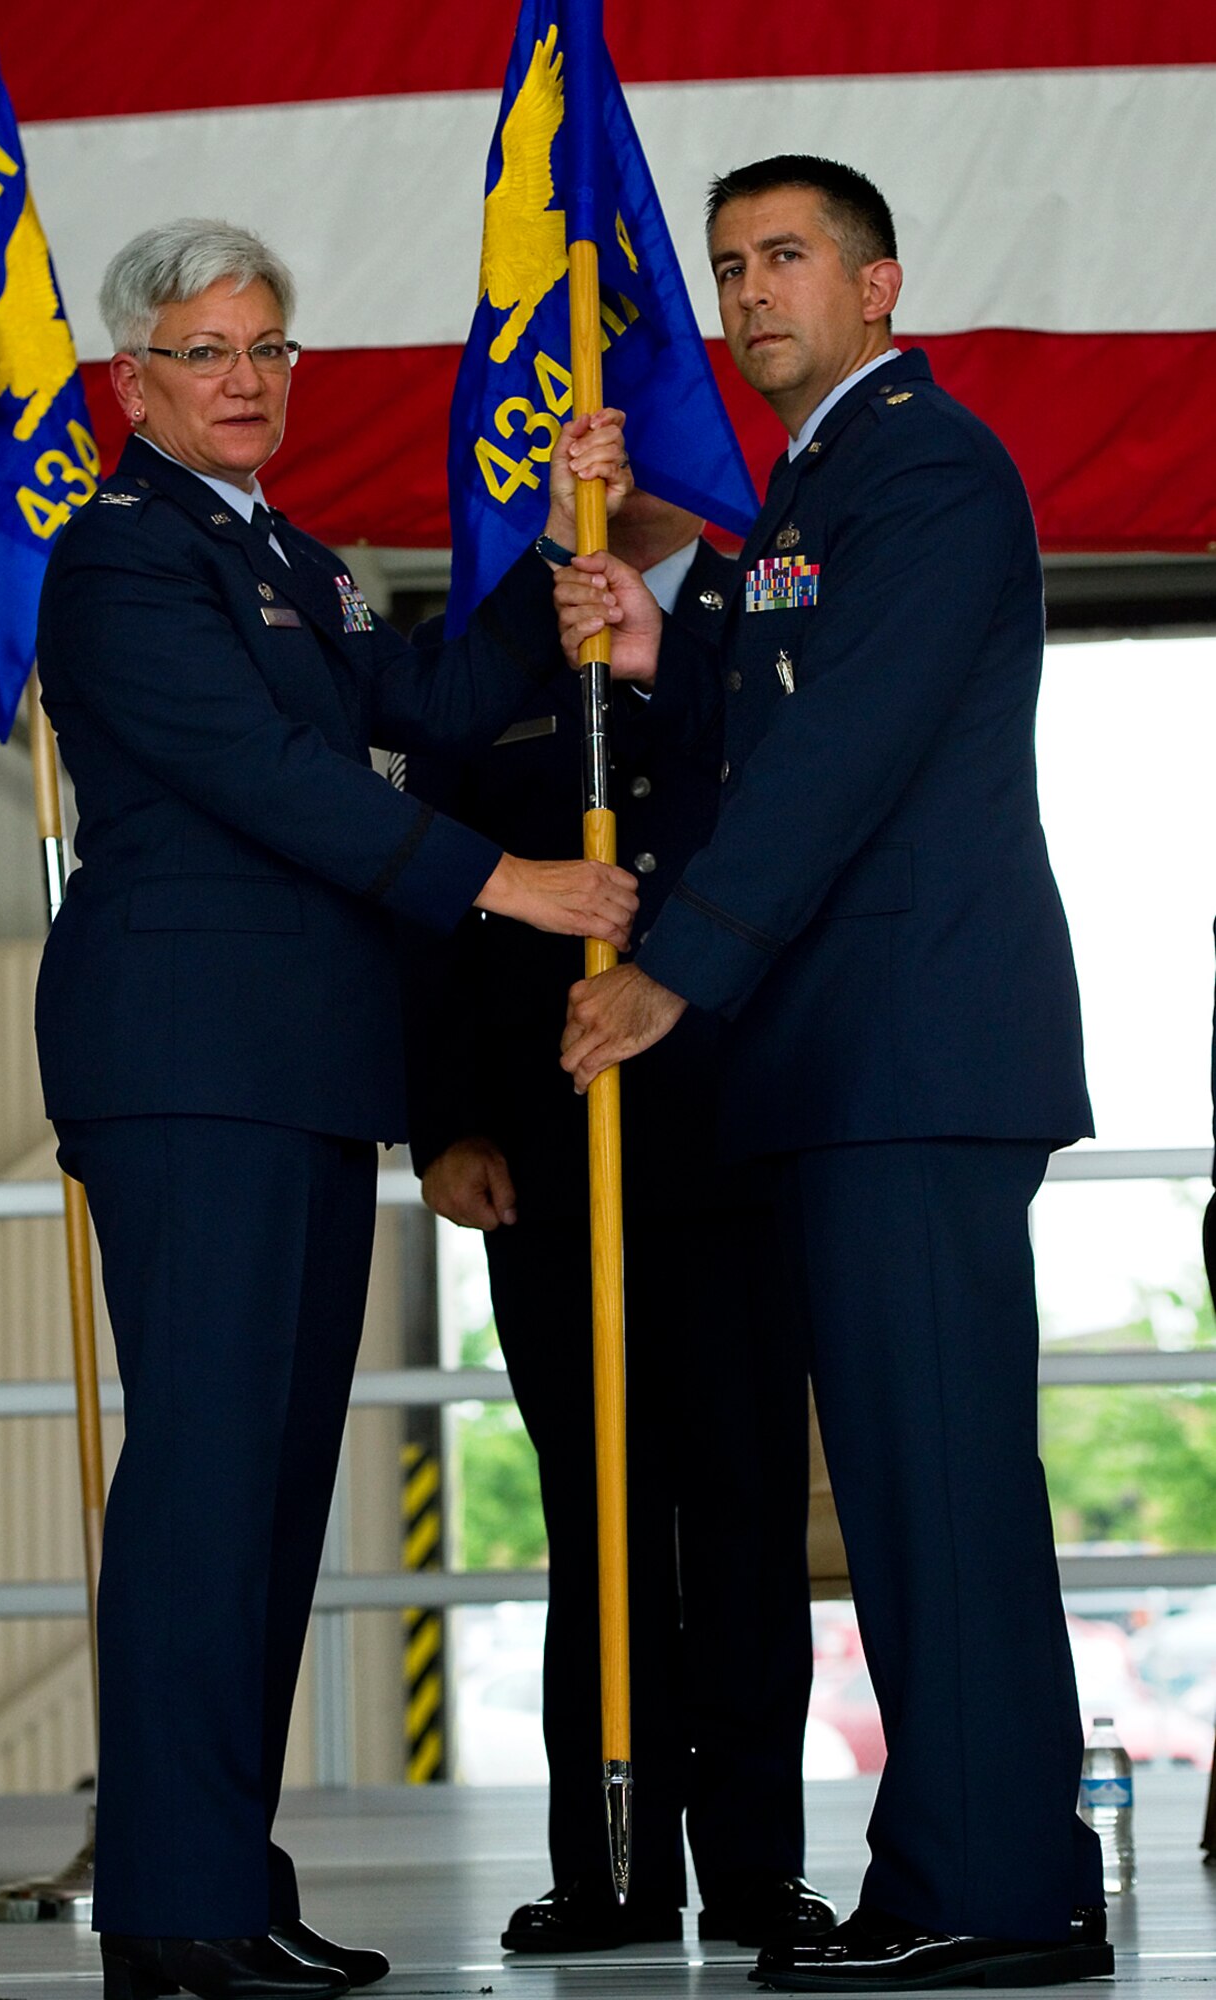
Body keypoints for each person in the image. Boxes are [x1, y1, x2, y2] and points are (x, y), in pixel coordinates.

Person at [34, 217, 637, 2000]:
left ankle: (225, 1874)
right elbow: (268, 776)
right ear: (132, 379)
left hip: (291, 1067)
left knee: (273, 1489)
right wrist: (502, 886)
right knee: (208, 1485)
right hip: (187, 1061)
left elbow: (435, 700)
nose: (244, 381)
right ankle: (166, 1903)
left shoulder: (285, 553)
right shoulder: (123, 558)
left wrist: (548, 554)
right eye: (207, 353)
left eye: (267, 351)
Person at [553, 156, 1112, 1990]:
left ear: (878, 285)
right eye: (726, 267)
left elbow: (844, 756)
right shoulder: (813, 485)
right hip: (852, 1061)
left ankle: (993, 1890)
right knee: (898, 1486)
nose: (748, 291)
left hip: (914, 1046)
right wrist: (653, 647)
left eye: (785, 257)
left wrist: (673, 979)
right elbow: (756, 717)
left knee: (936, 1481)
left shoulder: (926, 467)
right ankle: (958, 1868)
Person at [403, 491, 834, 1955]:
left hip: (732, 1137)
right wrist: (441, 1123)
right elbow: (430, 905)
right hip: (545, 1144)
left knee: (738, 1513)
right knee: (595, 1515)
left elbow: (801, 846)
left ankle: (761, 1870)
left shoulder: (754, 617)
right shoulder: (488, 639)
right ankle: (610, 1869)